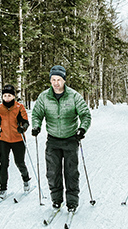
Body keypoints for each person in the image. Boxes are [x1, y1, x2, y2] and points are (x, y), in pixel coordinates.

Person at [29, 65, 92, 212]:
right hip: (53, 140)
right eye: (53, 79)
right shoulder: (44, 96)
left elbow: (85, 115)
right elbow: (37, 113)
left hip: (71, 139)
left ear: (64, 80)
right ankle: (56, 200)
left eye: (58, 79)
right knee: (53, 172)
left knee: (71, 172)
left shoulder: (74, 96)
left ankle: (72, 201)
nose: (56, 83)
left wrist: (82, 129)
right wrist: (36, 126)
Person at [0, 84, 31, 197]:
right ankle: (3, 188)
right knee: (3, 164)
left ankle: (26, 179)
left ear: (13, 96)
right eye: (5, 95)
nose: (7, 98)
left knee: (19, 162)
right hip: (3, 140)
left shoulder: (19, 107)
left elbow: (26, 122)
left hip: (18, 139)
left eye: (9, 95)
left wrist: (22, 128)